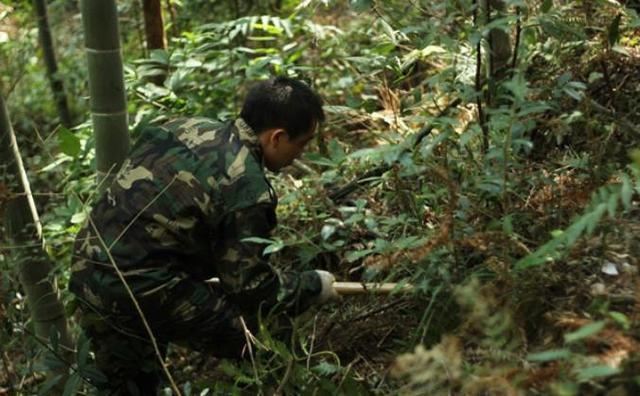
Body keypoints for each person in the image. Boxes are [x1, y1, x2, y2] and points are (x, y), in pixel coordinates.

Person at [69, 76, 338, 395]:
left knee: (126, 387)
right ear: (277, 137)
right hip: (143, 286)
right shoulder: (246, 187)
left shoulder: (183, 126)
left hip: (89, 269)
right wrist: (313, 285)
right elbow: (253, 289)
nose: (301, 154)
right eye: (303, 143)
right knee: (264, 342)